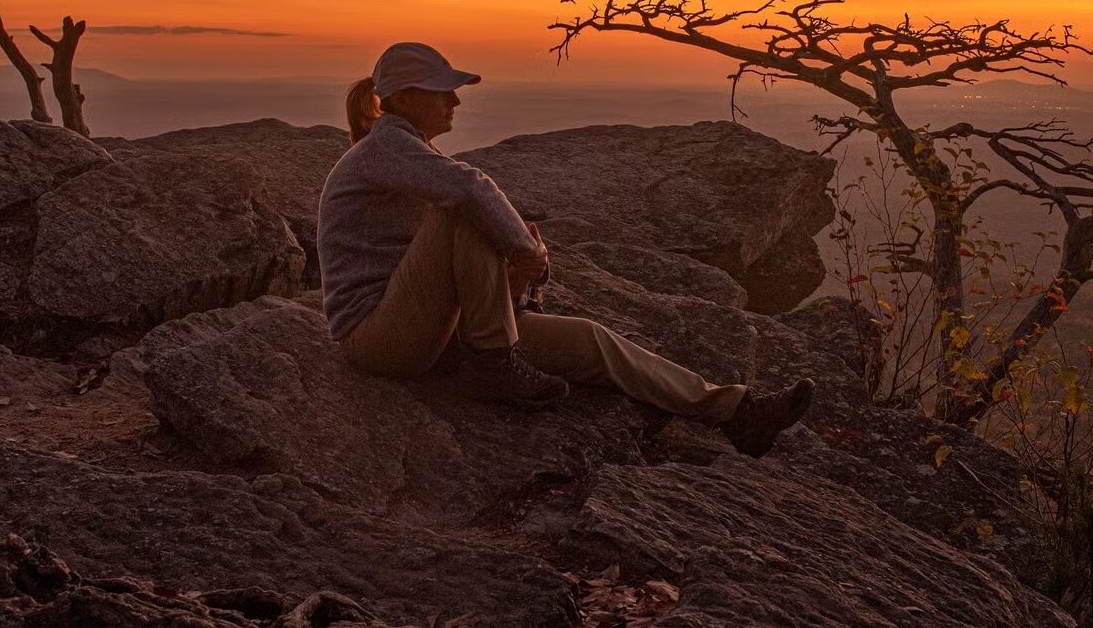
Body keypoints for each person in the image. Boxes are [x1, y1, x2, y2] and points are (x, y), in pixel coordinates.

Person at [315, 41, 814, 456]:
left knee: (590, 341)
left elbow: (452, 267)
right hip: (379, 337)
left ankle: (735, 411)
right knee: (462, 207)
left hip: (435, 330)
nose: (456, 102)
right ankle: (493, 364)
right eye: (443, 91)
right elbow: (470, 189)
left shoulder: (415, 152)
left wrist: (515, 282)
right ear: (402, 99)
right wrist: (527, 254)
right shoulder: (386, 148)